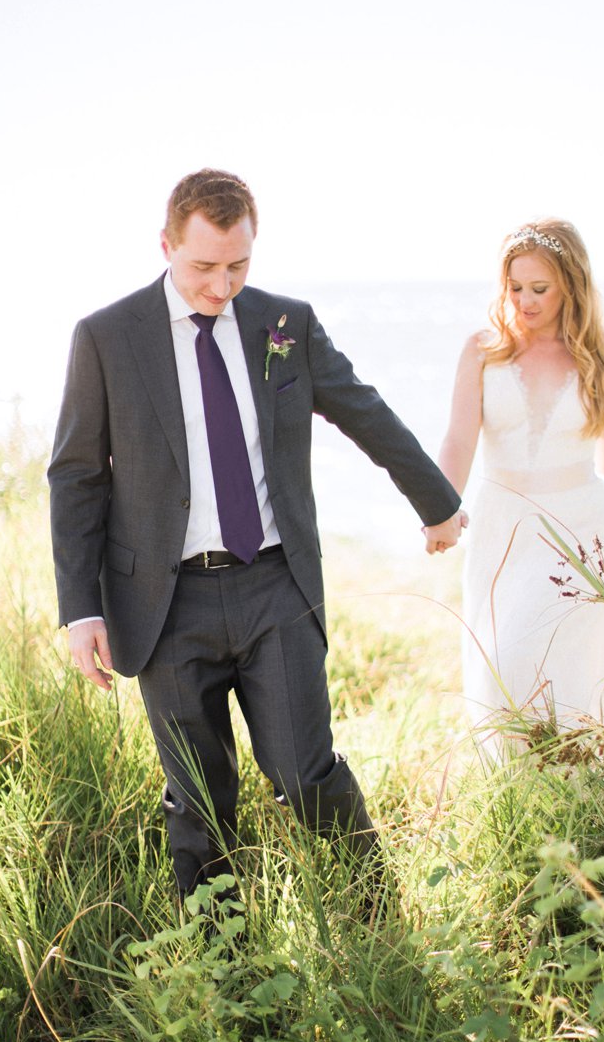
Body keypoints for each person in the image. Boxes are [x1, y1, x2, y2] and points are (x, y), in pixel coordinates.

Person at [48, 168, 464, 912]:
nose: (222, 285)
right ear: (167, 245)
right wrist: (82, 610)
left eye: (238, 265)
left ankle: (376, 920)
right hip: (164, 602)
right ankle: (223, 967)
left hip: (275, 585)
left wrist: (437, 504)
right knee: (200, 802)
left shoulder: (284, 324)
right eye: (205, 266)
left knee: (308, 775)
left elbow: (363, 411)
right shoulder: (107, 338)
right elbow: (77, 476)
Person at [438, 219, 604, 736]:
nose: (525, 301)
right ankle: (525, 791)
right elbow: (460, 439)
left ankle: (588, 784)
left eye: (540, 289)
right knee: (503, 664)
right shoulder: (483, 350)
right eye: (515, 288)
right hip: (503, 526)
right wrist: (438, 507)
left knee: (569, 668)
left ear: (570, 285)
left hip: (582, 527)